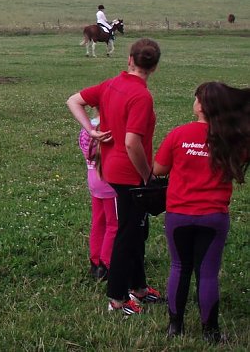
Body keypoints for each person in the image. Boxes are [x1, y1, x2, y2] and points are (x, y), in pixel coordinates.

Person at [67, 38, 163, 315]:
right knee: (128, 233)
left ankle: (139, 287)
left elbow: (73, 101)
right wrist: (147, 176)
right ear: (154, 67)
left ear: (130, 59)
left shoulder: (111, 84)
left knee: (137, 230)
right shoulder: (141, 96)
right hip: (129, 174)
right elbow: (133, 142)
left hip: (111, 168)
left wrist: (91, 129)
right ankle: (118, 299)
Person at [153, 82, 250, 342]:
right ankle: (210, 332)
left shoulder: (178, 134)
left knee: (178, 267)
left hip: (179, 214)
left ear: (200, 105)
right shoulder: (233, 139)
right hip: (214, 216)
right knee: (207, 273)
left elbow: (159, 169)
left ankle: (175, 327)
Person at [78, 110, 117, 282]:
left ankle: (95, 261)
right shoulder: (111, 129)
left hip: (93, 178)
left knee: (98, 221)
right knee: (113, 224)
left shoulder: (88, 127)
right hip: (109, 182)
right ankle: (106, 263)